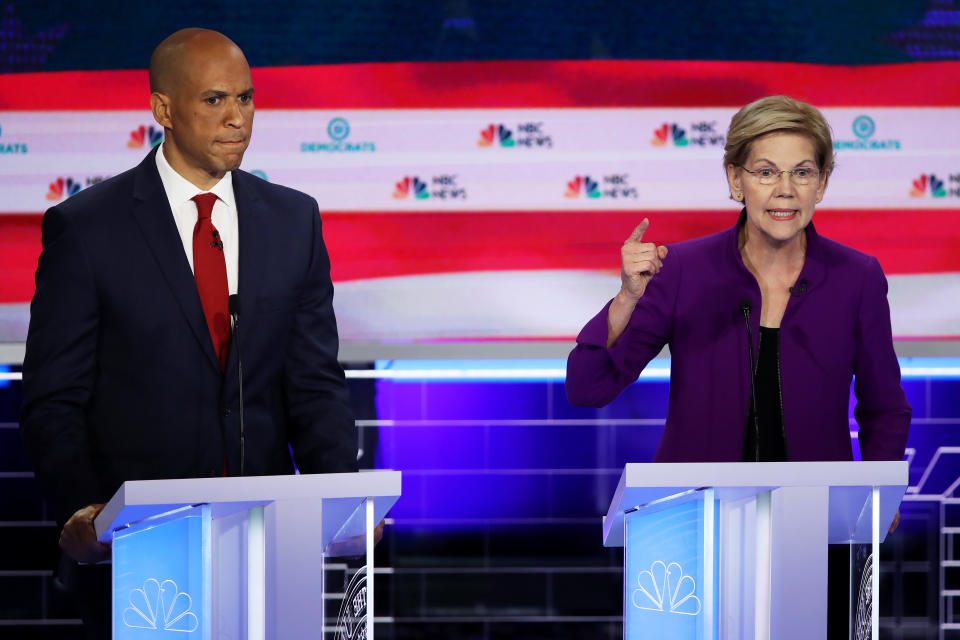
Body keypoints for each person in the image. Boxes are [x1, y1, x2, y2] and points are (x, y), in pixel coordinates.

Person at [19, 28, 357, 636]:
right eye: (215, 100)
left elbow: (313, 382)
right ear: (163, 110)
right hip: (139, 550)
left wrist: (343, 500)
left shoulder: (293, 220)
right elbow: (53, 396)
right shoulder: (88, 229)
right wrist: (81, 509)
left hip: (267, 544)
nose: (237, 118)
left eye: (247, 99)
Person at [566, 95, 910, 463]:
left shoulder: (856, 278)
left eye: (802, 172)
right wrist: (626, 299)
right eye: (766, 172)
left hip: (815, 511)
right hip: (700, 510)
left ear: (821, 183)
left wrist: (878, 492)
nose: (785, 189)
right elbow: (588, 387)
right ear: (735, 180)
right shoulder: (683, 270)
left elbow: (884, 407)